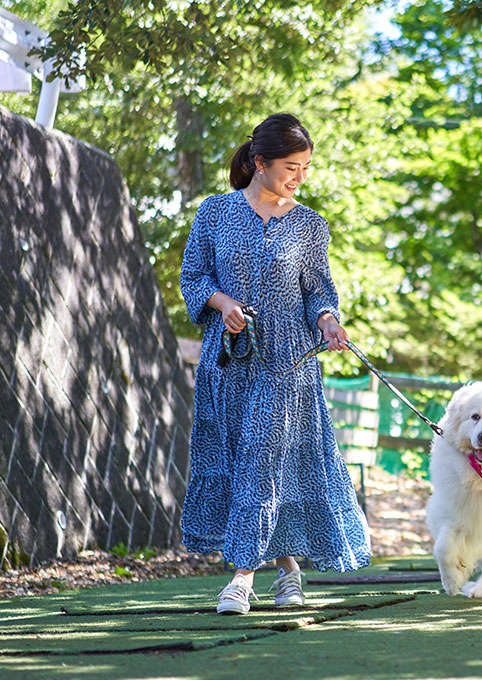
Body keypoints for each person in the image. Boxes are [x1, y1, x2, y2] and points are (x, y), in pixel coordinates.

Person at [179, 113, 370, 615]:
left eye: (305, 167)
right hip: (228, 362)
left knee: (266, 458)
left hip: (289, 366)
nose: (299, 176)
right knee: (256, 465)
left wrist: (329, 319)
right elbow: (194, 278)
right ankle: (288, 572)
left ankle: (240, 579)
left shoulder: (310, 225)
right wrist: (224, 307)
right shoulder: (214, 214)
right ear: (259, 163)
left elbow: (318, 291)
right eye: (291, 166)